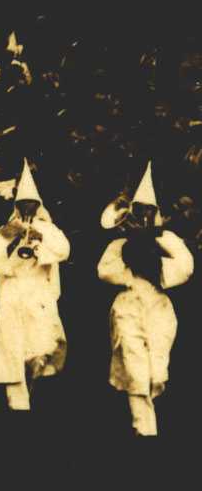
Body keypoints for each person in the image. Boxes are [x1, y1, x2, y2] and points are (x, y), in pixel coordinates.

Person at [95, 165, 191, 437]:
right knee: (133, 360)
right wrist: (130, 248)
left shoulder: (168, 239)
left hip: (159, 305)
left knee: (156, 370)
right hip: (128, 303)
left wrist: (152, 249)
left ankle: (147, 417)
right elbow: (104, 271)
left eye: (148, 211)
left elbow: (185, 268)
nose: (143, 216)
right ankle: (144, 428)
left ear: (156, 213)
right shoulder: (120, 243)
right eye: (139, 211)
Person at [0, 164, 69, 413]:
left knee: (40, 346)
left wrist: (40, 242)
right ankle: (17, 404)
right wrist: (6, 237)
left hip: (37, 293)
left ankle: (35, 395)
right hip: (12, 291)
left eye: (32, 204)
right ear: (17, 206)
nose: (28, 209)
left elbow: (64, 251)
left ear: (38, 204)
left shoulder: (49, 228)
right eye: (23, 205)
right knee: (11, 347)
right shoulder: (7, 229)